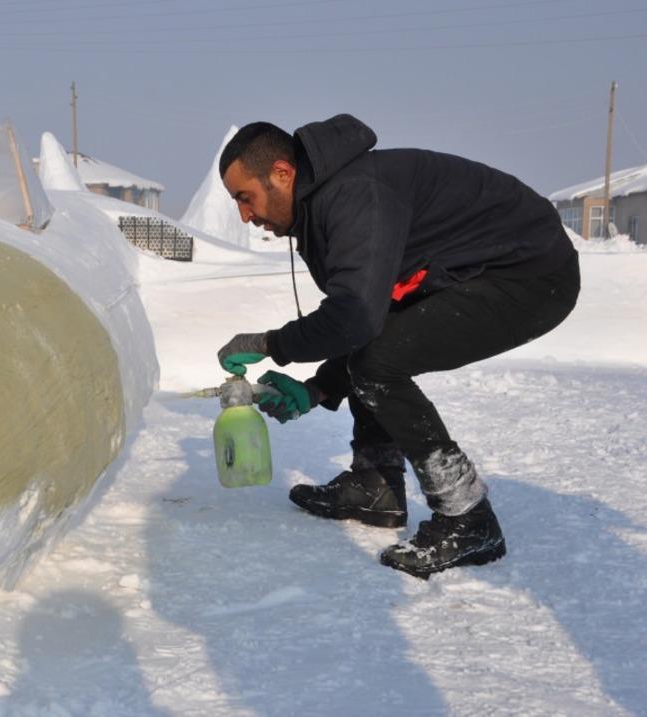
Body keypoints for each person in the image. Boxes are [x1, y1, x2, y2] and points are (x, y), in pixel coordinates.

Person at [216, 115, 579, 578]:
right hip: (474, 272)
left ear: (283, 174)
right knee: (374, 355)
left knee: (378, 365)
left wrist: (270, 343)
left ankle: (468, 518)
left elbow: (355, 318)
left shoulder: (354, 196)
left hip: (529, 273)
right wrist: (318, 388)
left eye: (245, 198)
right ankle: (375, 484)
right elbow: (369, 316)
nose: (245, 215)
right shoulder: (317, 210)